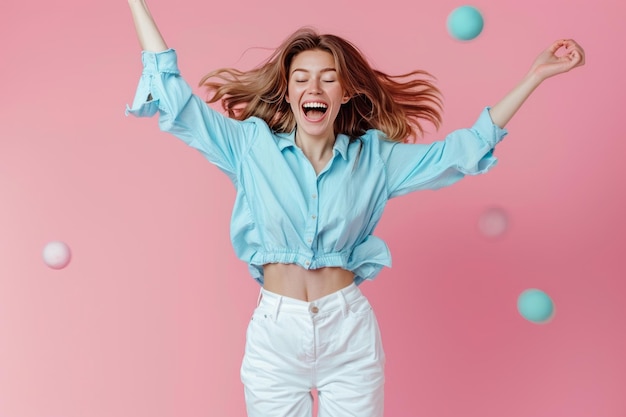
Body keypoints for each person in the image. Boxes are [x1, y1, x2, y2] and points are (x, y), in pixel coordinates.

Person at [126, 1, 585, 416]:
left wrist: (535, 76)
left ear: (344, 93)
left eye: (328, 78)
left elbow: (460, 153)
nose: (315, 87)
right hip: (274, 337)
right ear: (288, 92)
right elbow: (175, 99)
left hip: (349, 335)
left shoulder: (375, 159)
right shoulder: (249, 148)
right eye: (302, 78)